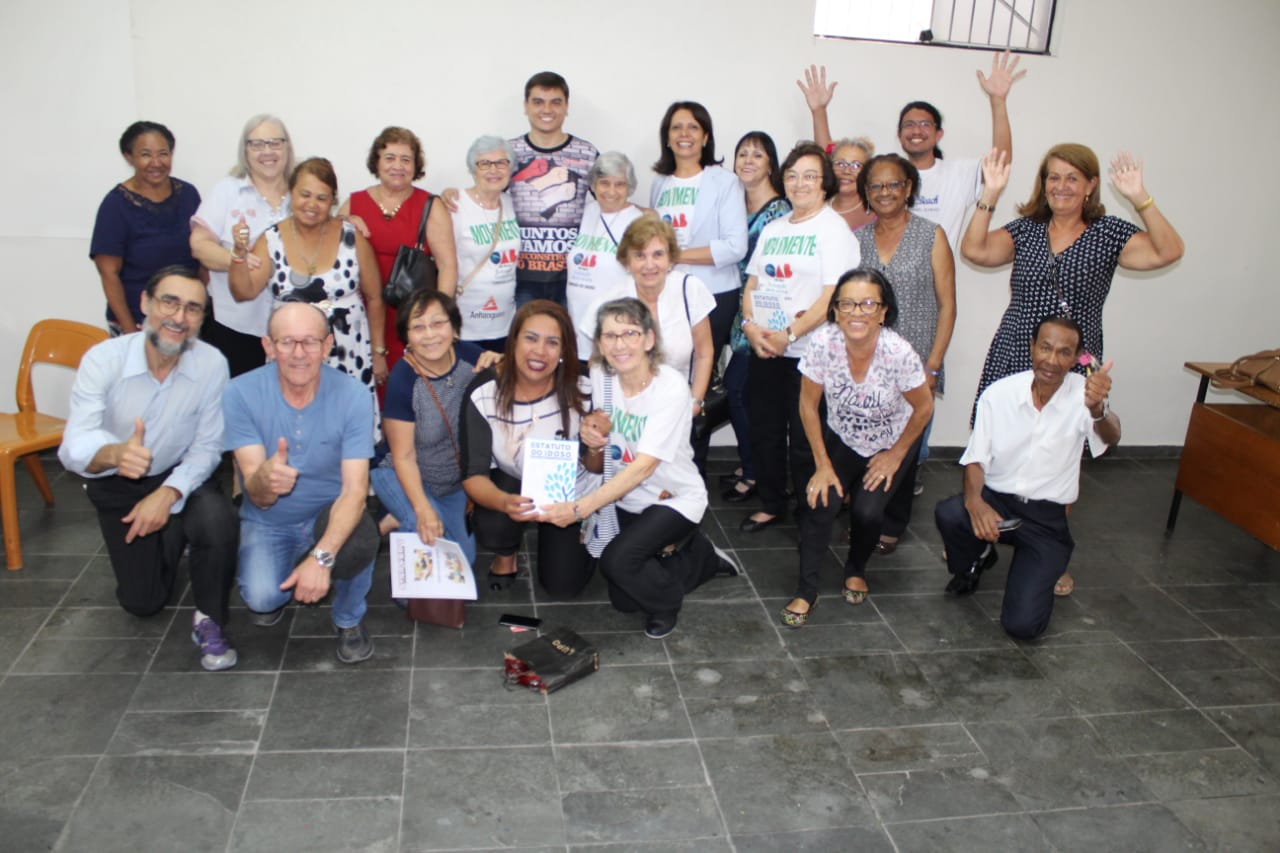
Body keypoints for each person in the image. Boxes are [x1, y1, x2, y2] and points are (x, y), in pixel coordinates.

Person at [962, 144, 1183, 597]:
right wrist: (990, 192)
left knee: (1060, 454)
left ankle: (1048, 553)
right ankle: (978, 540)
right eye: (1053, 177)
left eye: (1072, 178)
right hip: (1015, 352)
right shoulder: (1026, 229)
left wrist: (1141, 198)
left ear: (1090, 186)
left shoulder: (1108, 233)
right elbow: (975, 250)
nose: (1061, 186)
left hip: (1071, 362)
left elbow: (1168, 251)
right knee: (993, 446)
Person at [59, 266, 237, 670]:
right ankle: (173, 534)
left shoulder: (212, 364)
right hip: (116, 480)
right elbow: (74, 446)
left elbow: (209, 447)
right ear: (145, 303)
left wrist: (169, 493)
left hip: (179, 476)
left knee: (217, 518)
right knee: (143, 603)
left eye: (193, 308)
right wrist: (115, 454)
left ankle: (210, 619)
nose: (179, 317)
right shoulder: (103, 360)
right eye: (169, 302)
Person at [542, 297, 742, 639]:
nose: (620, 344)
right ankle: (701, 558)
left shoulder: (670, 386)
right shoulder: (601, 378)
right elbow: (598, 457)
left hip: (673, 497)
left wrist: (579, 508)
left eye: (630, 333)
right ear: (600, 344)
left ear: (649, 339)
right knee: (624, 601)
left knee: (618, 563)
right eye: (609, 336)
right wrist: (591, 437)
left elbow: (644, 468)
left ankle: (667, 603)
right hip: (626, 499)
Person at [935, 316, 1121, 639]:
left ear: (1077, 359)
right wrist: (975, 501)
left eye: (1064, 352)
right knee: (951, 514)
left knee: (1022, 627)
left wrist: (1098, 409)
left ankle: (1039, 565)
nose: (1051, 360)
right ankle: (978, 557)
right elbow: (976, 459)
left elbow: (1112, 435)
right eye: (1045, 348)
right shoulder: (999, 394)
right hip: (999, 501)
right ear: (1032, 347)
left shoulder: (1084, 397)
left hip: (1045, 521)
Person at [223, 301, 380, 663]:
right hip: (269, 520)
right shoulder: (239, 393)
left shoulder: (354, 394)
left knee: (360, 536)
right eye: (286, 342)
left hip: (330, 513)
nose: (298, 354)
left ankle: (348, 617)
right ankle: (289, 570)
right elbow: (257, 497)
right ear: (267, 346)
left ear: (327, 346)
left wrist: (322, 559)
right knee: (261, 598)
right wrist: (264, 479)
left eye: (310, 342)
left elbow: (356, 491)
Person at [782, 270, 932, 626]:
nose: (857, 312)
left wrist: (895, 456)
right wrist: (822, 464)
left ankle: (856, 567)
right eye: (847, 303)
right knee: (820, 501)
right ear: (835, 311)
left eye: (868, 303)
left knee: (867, 512)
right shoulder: (823, 344)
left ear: (883, 312)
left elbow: (924, 407)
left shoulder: (898, 353)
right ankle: (807, 591)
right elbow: (807, 405)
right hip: (842, 437)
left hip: (891, 442)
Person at [739, 143, 860, 534]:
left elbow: (833, 297)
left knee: (807, 437)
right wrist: (750, 327)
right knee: (766, 428)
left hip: (811, 353)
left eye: (809, 176)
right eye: (792, 176)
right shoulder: (774, 229)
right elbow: (752, 284)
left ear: (824, 184)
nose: (799, 183)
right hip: (767, 347)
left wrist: (789, 335)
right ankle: (773, 502)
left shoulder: (832, 229)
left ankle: (815, 507)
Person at [798, 51, 1026, 250]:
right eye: (909, 125)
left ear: (939, 135)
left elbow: (1000, 164)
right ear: (899, 135)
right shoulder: (883, 172)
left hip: (932, 285)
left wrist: (998, 101)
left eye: (925, 124)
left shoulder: (957, 174)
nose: (916, 130)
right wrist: (818, 111)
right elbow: (832, 161)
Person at [229, 157, 387, 430]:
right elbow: (243, 291)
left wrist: (379, 351)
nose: (312, 204)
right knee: (293, 430)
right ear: (291, 193)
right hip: (292, 353)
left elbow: (375, 298)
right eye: (304, 194)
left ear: (332, 201)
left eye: (322, 198)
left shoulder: (352, 236)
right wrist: (239, 256)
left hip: (348, 353)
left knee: (345, 430)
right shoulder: (271, 239)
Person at [855, 153, 956, 547]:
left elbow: (947, 304)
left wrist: (932, 366)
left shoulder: (932, 235)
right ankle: (867, 513)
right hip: (866, 364)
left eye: (893, 184)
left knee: (906, 447)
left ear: (908, 188)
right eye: (875, 186)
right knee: (866, 440)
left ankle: (891, 524)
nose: (884, 192)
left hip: (916, 365)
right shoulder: (858, 239)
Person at [461, 300, 593, 596]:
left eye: (552, 343)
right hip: (512, 478)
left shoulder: (585, 387)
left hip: (572, 490)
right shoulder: (485, 391)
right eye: (530, 338)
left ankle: (586, 539)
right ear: (513, 341)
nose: (539, 351)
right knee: (493, 521)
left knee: (563, 587)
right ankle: (505, 553)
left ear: (564, 351)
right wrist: (504, 502)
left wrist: (596, 446)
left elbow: (597, 465)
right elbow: (473, 474)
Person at [370, 290, 479, 564]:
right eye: (418, 327)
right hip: (399, 472)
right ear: (407, 338)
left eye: (438, 323)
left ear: (454, 329)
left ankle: (399, 516)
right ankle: (405, 513)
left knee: (463, 560)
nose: (430, 334)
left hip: (451, 483)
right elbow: (403, 456)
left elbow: (511, 376)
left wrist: (499, 363)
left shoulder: (471, 358)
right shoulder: (403, 380)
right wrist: (422, 509)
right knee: (427, 536)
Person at [340, 127, 458, 372]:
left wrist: (438, 319)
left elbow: (447, 265)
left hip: (411, 317)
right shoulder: (354, 203)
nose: (398, 166)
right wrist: (339, 222)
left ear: (416, 166)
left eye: (406, 159)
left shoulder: (430, 205)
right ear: (377, 162)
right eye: (390, 158)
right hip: (361, 315)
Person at [190, 114, 295, 377]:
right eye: (257, 144)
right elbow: (199, 245)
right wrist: (237, 260)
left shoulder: (300, 192)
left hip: (294, 329)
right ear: (245, 150)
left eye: (275, 143)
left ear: (287, 147)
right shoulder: (228, 191)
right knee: (237, 408)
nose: (267, 151)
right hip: (235, 327)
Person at [721, 132, 791, 504]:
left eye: (757, 154)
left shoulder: (780, 211)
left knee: (740, 391)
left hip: (766, 312)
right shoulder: (736, 204)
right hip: (739, 308)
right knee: (742, 392)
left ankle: (757, 471)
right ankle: (752, 462)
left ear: (770, 165)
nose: (748, 160)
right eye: (742, 153)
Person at [649, 101, 748, 357]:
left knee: (702, 368)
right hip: (668, 290)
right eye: (676, 128)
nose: (684, 134)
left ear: (705, 137)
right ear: (667, 138)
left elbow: (735, 247)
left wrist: (676, 255)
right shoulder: (660, 183)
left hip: (713, 292)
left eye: (693, 127)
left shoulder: (725, 182)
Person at [91, 121, 202, 335]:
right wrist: (129, 329)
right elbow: (108, 273)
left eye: (163, 153)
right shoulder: (115, 205)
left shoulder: (188, 194)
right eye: (145, 155)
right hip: (137, 319)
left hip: (185, 316)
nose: (156, 162)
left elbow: (202, 256)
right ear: (128, 157)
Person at [566, 152, 649, 358]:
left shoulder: (638, 223)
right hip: (577, 329)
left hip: (615, 335)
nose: (611, 191)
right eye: (604, 183)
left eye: (619, 184)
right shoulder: (588, 212)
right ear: (593, 185)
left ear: (629, 188)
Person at [451, 136, 522, 351]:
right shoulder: (456, 205)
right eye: (485, 163)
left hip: (505, 324)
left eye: (501, 162)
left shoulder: (511, 204)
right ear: (473, 170)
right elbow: (444, 264)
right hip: (466, 324)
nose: (494, 170)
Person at [827, 137, 877, 232]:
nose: (846, 171)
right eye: (840, 164)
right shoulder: (818, 209)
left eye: (856, 165)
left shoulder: (878, 209)